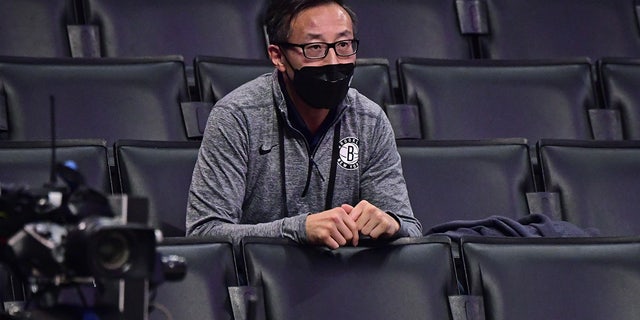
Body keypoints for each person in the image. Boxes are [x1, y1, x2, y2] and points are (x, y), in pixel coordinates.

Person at [186, 0, 422, 249]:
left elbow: (411, 227)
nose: (333, 61)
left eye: (343, 45)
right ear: (278, 56)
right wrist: (299, 229)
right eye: (315, 47)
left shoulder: (370, 121)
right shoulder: (236, 117)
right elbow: (204, 232)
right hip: (256, 282)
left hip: (347, 280)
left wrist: (391, 225)